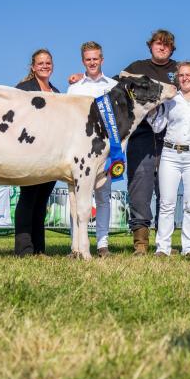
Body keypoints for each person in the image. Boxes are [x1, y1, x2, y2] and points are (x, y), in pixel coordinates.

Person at [124, 30, 178, 255]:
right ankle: (141, 242)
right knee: (140, 186)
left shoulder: (179, 70)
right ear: (151, 46)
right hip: (141, 136)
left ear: (172, 49)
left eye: (167, 45)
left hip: (169, 137)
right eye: (158, 43)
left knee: (166, 190)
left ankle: (163, 242)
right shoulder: (136, 68)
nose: (162, 47)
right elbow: (115, 87)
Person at [65, 41, 117, 257]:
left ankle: (102, 244)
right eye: (88, 59)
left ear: (102, 60)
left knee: (104, 196)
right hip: (79, 152)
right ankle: (76, 243)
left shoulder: (113, 86)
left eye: (96, 58)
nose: (92, 62)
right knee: (75, 197)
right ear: (83, 61)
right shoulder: (75, 88)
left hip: (106, 150)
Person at [148, 61, 190, 258]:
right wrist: (154, 107)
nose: (185, 78)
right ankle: (162, 247)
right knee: (167, 202)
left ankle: (188, 246)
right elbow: (157, 127)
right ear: (177, 78)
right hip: (171, 154)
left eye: (189, 75)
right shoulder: (171, 99)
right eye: (181, 75)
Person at [14, 49, 60, 256]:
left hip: (51, 155)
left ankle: (39, 249)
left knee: (42, 202)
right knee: (28, 198)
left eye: (48, 63)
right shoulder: (23, 89)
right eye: (40, 63)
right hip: (30, 153)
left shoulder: (57, 92)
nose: (44, 66)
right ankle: (24, 248)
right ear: (33, 67)